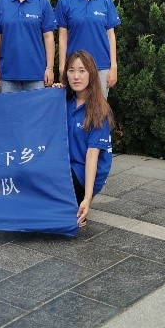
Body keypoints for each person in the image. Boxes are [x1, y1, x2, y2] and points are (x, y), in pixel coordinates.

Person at [58, 50, 114, 227]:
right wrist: (51, 95)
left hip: (83, 174)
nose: (76, 76)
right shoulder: (63, 102)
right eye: (71, 70)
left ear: (91, 74)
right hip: (63, 167)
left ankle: (77, 201)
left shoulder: (99, 110)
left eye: (82, 71)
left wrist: (88, 198)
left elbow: (92, 156)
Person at [56, 0, 121, 95]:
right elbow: (62, 37)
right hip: (75, 68)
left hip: (101, 65)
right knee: (75, 105)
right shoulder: (65, 2)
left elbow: (111, 36)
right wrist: (62, 67)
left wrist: (113, 67)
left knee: (99, 107)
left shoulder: (105, 1)